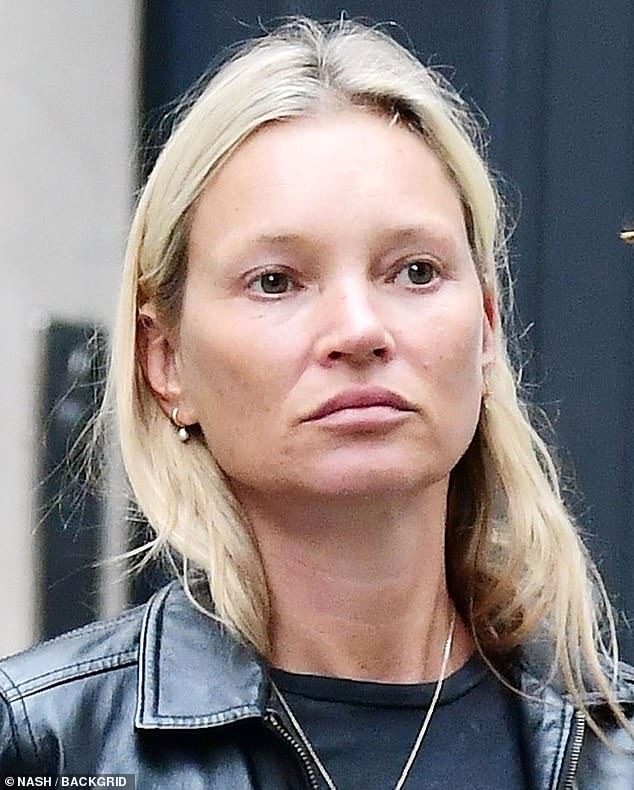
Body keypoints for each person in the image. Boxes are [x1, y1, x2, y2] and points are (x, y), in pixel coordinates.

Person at [1, 16, 633, 788]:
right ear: (165, 360)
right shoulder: (44, 745)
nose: (359, 330)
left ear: (486, 330)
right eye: (276, 281)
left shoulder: (613, 752)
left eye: (415, 271)